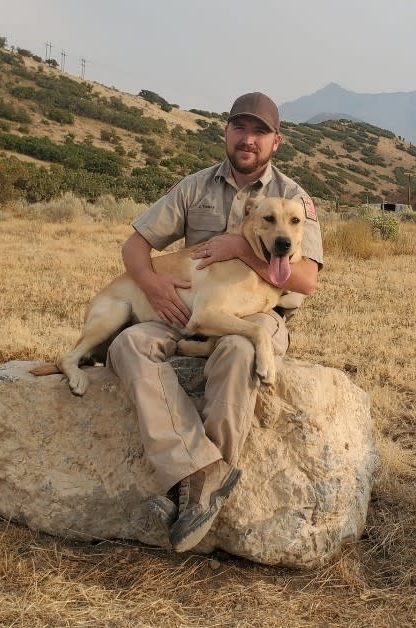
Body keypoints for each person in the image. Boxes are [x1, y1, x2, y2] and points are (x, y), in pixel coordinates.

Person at [107, 92, 324, 552]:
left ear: (275, 141)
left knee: (240, 350)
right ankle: (198, 472)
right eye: (240, 129)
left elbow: (305, 280)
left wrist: (241, 248)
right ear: (226, 132)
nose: (248, 140)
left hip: (258, 315)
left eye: (259, 132)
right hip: (181, 311)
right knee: (126, 345)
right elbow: (134, 247)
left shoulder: (293, 199)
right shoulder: (194, 187)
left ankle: (198, 489)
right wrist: (150, 283)